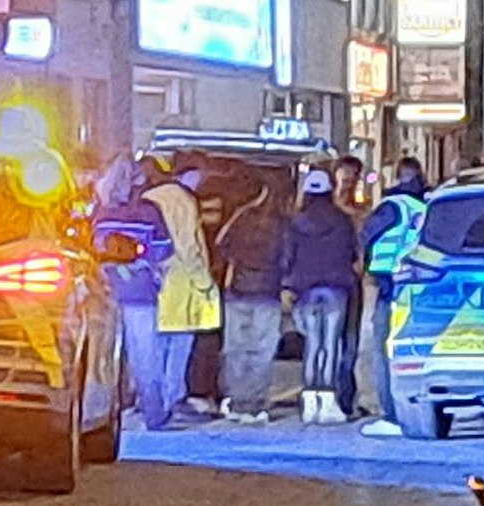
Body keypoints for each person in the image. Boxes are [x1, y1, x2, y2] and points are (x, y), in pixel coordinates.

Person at [92, 157, 174, 430]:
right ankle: (153, 413)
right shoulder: (149, 211)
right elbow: (164, 249)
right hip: (141, 291)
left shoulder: (100, 213)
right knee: (145, 355)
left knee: (105, 356)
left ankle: (106, 410)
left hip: (106, 293)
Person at [143, 152, 221, 428]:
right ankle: (173, 398)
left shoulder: (149, 196)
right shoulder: (182, 200)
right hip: (182, 280)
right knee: (179, 344)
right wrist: (204, 281)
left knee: (156, 345)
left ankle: (151, 401)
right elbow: (189, 244)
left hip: (154, 280)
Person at [281, 168, 360, 424]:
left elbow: (286, 257)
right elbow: (353, 255)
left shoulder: (295, 222)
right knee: (332, 345)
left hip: (305, 291)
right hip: (337, 288)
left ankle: (309, 401)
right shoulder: (342, 221)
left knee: (312, 345)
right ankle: (328, 401)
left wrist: (288, 285)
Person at [358, 157, 428, 435]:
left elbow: (367, 236)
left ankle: (392, 415)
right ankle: (410, 411)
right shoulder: (425, 207)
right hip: (415, 288)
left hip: (389, 287)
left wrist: (366, 267)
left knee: (383, 350)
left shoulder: (392, 206)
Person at [215, 177, 289, 423]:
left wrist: (240, 262)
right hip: (268, 293)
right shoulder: (284, 224)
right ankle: (255, 403)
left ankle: (237, 400)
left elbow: (222, 245)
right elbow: (289, 259)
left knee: (236, 349)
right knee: (262, 350)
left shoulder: (243, 216)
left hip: (238, 290)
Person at [331, 155, 368, 417]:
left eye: (352, 179)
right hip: (332, 282)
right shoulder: (325, 212)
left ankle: (345, 397)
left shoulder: (360, 215)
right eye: (344, 179)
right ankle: (330, 396)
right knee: (329, 342)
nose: (347, 184)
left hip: (351, 285)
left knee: (349, 344)